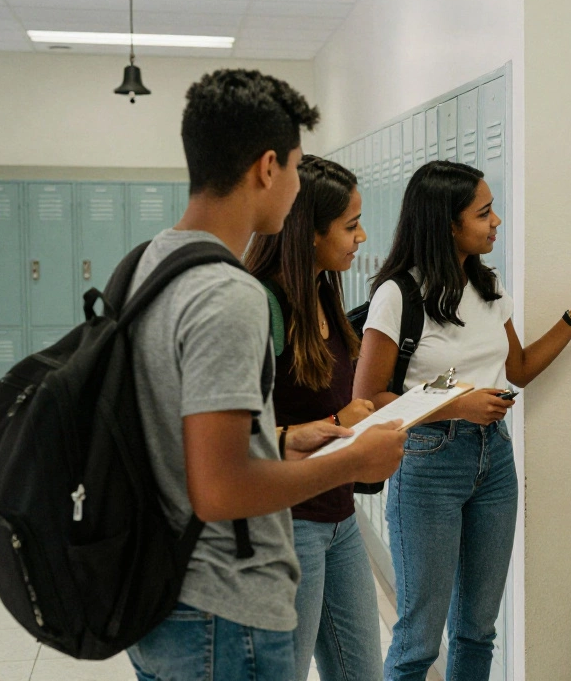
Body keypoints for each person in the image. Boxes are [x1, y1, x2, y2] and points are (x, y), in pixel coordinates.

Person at [124, 69, 406, 681]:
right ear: (268, 167)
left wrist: (281, 438)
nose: (300, 183)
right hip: (221, 608)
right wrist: (353, 461)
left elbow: (186, 439)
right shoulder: (231, 295)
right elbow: (221, 488)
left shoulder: (149, 262)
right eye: (299, 168)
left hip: (155, 585)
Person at [353, 159, 571, 681]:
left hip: (494, 460)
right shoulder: (397, 295)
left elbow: (518, 369)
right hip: (428, 461)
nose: (496, 220)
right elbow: (367, 399)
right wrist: (456, 403)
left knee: (478, 631)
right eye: (484, 212)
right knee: (417, 641)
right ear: (447, 223)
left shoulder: (489, 285)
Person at [245, 155, 384, 681]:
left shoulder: (326, 291)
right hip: (288, 523)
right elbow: (233, 435)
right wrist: (328, 421)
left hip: (339, 517)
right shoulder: (262, 305)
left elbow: (335, 403)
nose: (362, 236)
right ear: (307, 233)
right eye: (350, 226)